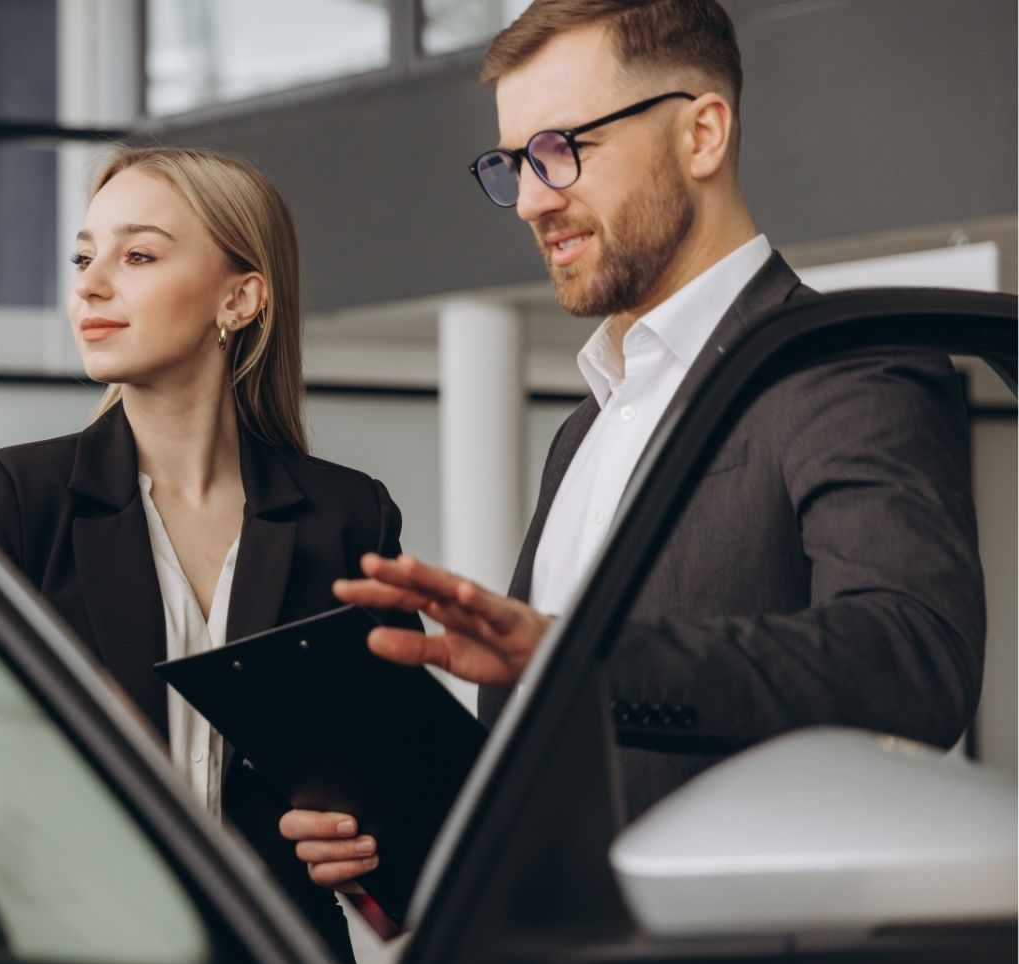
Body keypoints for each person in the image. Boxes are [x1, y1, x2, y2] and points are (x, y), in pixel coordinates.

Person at [281, 0, 985, 897]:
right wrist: (406, 842)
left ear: (701, 134)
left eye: (561, 149)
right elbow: (551, 746)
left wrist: (578, 660)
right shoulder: (588, 424)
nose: (532, 199)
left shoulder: (841, 363)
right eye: (512, 164)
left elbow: (910, 658)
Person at [0, 145, 415, 964]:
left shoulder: (346, 515)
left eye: (136, 255)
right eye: (83, 257)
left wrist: (364, 845)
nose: (91, 285)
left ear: (241, 298)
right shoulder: (19, 498)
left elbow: (396, 779)